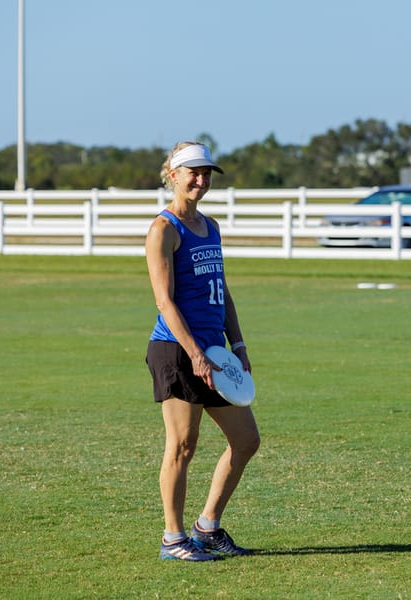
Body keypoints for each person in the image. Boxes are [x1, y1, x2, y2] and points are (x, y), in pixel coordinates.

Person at [145, 142, 260, 561]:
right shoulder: (164, 229)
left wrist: (238, 344)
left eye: (206, 173)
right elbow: (165, 302)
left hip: (214, 351)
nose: (201, 180)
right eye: (192, 172)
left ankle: (207, 527)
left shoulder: (210, 226)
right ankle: (173, 539)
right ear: (172, 175)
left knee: (246, 440)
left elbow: (221, 291)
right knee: (182, 445)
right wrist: (195, 354)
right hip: (176, 351)